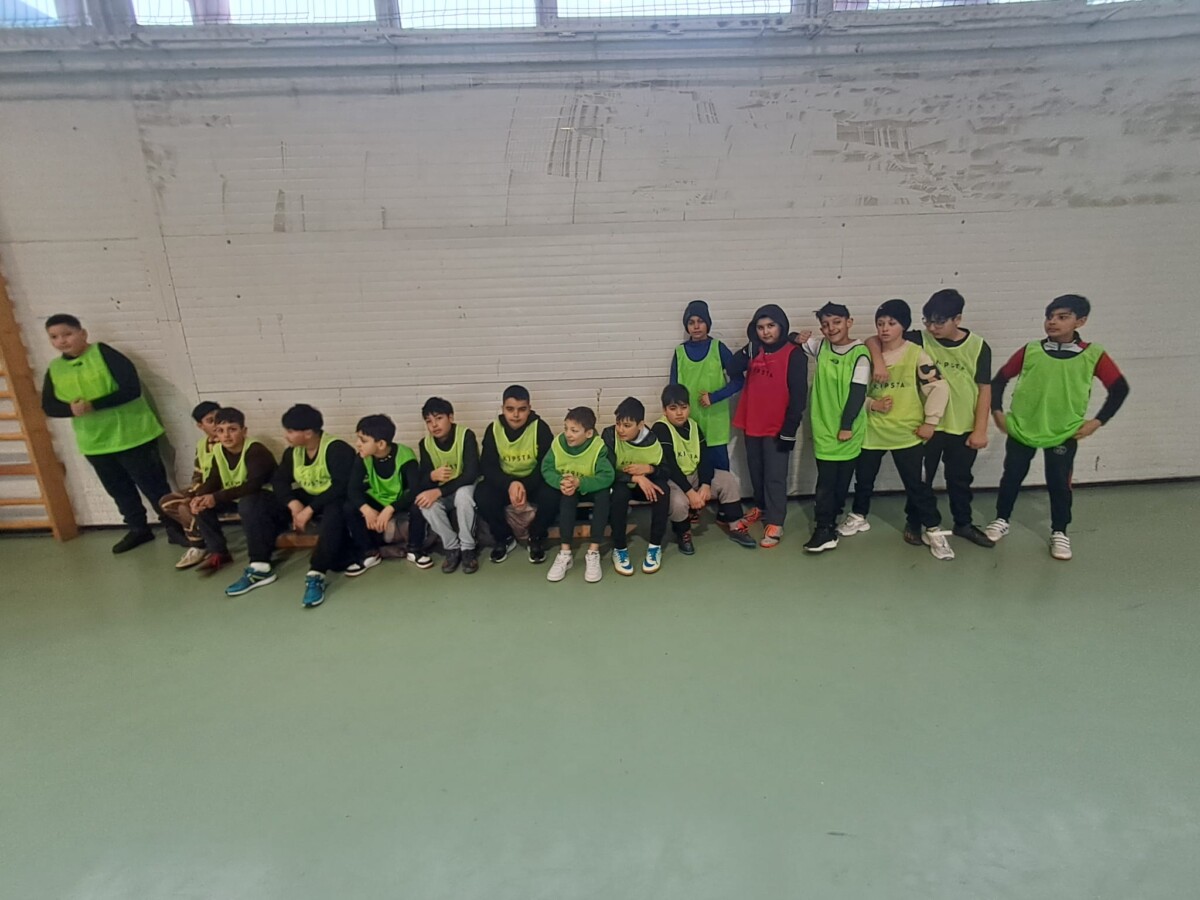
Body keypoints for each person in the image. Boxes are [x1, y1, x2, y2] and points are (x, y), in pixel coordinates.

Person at [987, 294, 1129, 561]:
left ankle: (1060, 531)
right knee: (1012, 475)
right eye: (1049, 317)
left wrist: (1096, 422)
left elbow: (1119, 389)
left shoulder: (1093, 354)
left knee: (1059, 483)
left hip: (1064, 431)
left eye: (1062, 317)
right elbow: (999, 380)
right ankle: (1001, 519)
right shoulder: (1030, 350)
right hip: (1023, 427)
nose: (1052, 322)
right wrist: (997, 412)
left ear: (1080, 321)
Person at [40, 313, 188, 555]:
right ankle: (138, 528)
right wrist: (70, 409)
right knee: (118, 489)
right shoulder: (55, 369)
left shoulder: (104, 353)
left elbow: (131, 389)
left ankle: (174, 527)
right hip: (95, 443)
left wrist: (94, 405)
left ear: (82, 333)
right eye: (54, 337)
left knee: (154, 486)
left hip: (133, 435)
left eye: (67, 334)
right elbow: (48, 405)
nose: (62, 341)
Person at [867, 289, 995, 548]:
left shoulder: (978, 346)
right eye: (928, 321)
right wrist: (878, 362)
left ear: (957, 319)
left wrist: (980, 429)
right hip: (927, 426)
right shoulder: (920, 339)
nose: (932, 328)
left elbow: (984, 389)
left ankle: (964, 523)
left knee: (960, 479)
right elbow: (873, 339)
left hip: (962, 424)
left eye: (939, 322)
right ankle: (914, 522)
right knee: (920, 480)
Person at [839, 299, 955, 560]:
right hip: (872, 430)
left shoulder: (915, 353)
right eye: (880, 323)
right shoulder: (866, 353)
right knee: (864, 479)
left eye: (891, 323)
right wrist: (872, 404)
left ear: (904, 326)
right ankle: (859, 515)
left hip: (907, 432)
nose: (884, 328)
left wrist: (931, 421)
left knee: (917, 485)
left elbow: (938, 386)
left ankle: (933, 529)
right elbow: (852, 390)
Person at [171, 407, 284, 591]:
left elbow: (253, 485)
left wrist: (215, 497)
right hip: (239, 498)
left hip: (269, 501)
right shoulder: (218, 451)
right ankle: (218, 552)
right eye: (220, 431)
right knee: (202, 505)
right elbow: (214, 479)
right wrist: (200, 497)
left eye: (232, 429)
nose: (226, 435)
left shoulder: (256, 450)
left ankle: (260, 564)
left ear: (244, 431)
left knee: (247, 503)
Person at [792, 303, 873, 553]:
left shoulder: (860, 354)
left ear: (849, 322)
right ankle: (825, 528)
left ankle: (829, 523)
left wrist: (846, 425)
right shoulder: (821, 347)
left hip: (847, 430)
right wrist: (796, 337)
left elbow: (858, 393)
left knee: (839, 482)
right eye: (825, 325)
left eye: (837, 322)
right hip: (824, 428)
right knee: (826, 483)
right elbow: (792, 338)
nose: (831, 328)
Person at [728, 304, 807, 548]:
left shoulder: (795, 354)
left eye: (771, 326)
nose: (766, 332)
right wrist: (748, 348)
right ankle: (761, 508)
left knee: (775, 476)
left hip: (778, 427)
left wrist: (789, 429)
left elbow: (799, 396)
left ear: (781, 326)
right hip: (752, 422)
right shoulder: (754, 350)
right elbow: (732, 367)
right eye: (760, 327)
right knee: (756, 471)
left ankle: (775, 521)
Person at [262, 403, 356, 608]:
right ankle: (259, 565)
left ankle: (316, 573)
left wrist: (309, 510)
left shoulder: (337, 449)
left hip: (334, 498)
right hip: (309, 497)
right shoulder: (292, 453)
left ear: (308, 433)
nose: (286, 436)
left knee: (335, 511)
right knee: (256, 502)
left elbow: (341, 487)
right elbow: (279, 480)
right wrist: (293, 503)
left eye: (290, 431)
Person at [653, 384, 758, 554]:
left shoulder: (693, 426)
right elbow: (670, 466)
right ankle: (683, 533)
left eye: (683, 407)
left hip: (693, 475)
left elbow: (704, 458)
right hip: (673, 480)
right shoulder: (660, 428)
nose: (679, 413)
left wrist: (705, 484)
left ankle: (735, 525)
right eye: (673, 408)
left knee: (727, 480)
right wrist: (690, 493)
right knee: (678, 502)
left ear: (689, 408)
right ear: (664, 411)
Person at [534, 407, 615, 584]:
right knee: (567, 498)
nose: (568, 434)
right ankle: (565, 553)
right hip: (569, 487)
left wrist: (581, 483)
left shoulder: (599, 447)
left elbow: (607, 476)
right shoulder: (558, 443)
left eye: (574, 430)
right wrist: (560, 482)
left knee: (603, 496)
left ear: (588, 433)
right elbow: (547, 468)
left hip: (590, 487)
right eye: (566, 428)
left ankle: (593, 551)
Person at [476, 385, 554, 564]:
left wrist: (524, 486)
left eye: (522, 409)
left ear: (529, 408)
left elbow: (547, 464)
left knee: (553, 493)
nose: (516, 415)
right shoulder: (493, 429)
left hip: (533, 482)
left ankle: (536, 537)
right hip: (505, 483)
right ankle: (504, 537)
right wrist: (510, 484)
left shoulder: (540, 428)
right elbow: (487, 466)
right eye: (510, 409)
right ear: (503, 409)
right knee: (482, 493)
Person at [344, 414, 427, 577]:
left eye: (363, 440)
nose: (358, 444)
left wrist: (390, 509)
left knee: (419, 504)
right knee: (349, 506)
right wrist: (366, 509)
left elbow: (415, 490)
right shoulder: (362, 457)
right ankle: (369, 552)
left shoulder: (405, 455)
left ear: (381, 444)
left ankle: (415, 550)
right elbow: (352, 489)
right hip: (377, 499)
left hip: (400, 500)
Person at [669, 299, 743, 475]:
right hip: (689, 424)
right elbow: (672, 391)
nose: (696, 326)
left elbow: (739, 380)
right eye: (691, 322)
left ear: (708, 324)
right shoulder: (679, 353)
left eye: (700, 321)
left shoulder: (719, 348)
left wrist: (714, 397)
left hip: (715, 423)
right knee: (693, 472)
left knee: (721, 474)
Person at [601, 397, 670, 575]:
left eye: (627, 425)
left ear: (640, 425)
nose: (620, 430)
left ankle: (655, 547)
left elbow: (666, 470)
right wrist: (635, 478)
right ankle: (619, 548)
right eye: (618, 424)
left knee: (663, 491)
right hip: (621, 482)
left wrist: (650, 469)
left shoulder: (653, 440)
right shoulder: (609, 435)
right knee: (619, 494)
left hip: (645, 485)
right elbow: (607, 471)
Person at [413, 397, 480, 575]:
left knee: (463, 496)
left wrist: (439, 490)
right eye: (429, 421)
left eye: (439, 418)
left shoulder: (466, 435)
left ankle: (468, 548)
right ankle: (452, 547)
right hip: (443, 492)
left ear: (450, 417)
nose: (434, 425)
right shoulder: (425, 444)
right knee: (425, 503)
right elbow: (422, 480)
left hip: (465, 487)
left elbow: (471, 474)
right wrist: (431, 476)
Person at [159, 400, 224, 570]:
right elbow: (198, 473)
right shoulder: (202, 445)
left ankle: (198, 546)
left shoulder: (228, 441)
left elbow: (221, 476)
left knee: (185, 507)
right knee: (166, 502)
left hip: (222, 489)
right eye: (210, 421)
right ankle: (202, 536)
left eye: (219, 418)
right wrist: (195, 490)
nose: (216, 424)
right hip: (202, 488)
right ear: (200, 426)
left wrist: (198, 495)